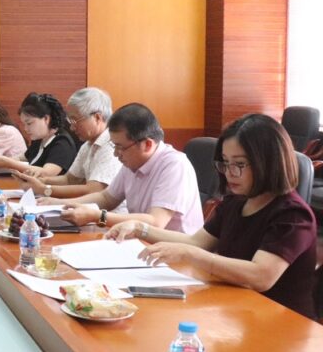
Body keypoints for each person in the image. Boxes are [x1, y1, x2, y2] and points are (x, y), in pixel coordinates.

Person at [106, 114, 317, 318]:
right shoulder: (236, 202)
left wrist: (191, 255)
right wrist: (139, 228)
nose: (229, 172)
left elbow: (261, 276)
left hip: (280, 320)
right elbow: (196, 242)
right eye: (225, 162)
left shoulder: (292, 214)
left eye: (239, 164)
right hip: (237, 310)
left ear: (269, 162)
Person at [54, 103, 203, 233]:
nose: (115, 153)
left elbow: (156, 222)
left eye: (120, 147)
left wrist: (98, 216)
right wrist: (62, 204)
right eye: (114, 146)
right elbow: (107, 198)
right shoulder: (132, 161)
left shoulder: (175, 165)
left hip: (175, 251)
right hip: (141, 242)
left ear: (147, 144)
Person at [12, 87, 124, 203]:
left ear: (97, 118)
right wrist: (41, 181)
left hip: (107, 213)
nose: (71, 127)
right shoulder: (87, 145)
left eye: (74, 120)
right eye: (70, 121)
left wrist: (45, 189)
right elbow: (70, 179)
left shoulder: (111, 145)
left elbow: (94, 189)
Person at [0, 92, 76, 176]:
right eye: (24, 124)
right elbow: (22, 157)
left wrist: (9, 163)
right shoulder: (39, 139)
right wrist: (3, 160)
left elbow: (47, 173)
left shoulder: (62, 143)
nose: (26, 129)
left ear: (46, 119)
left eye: (29, 123)